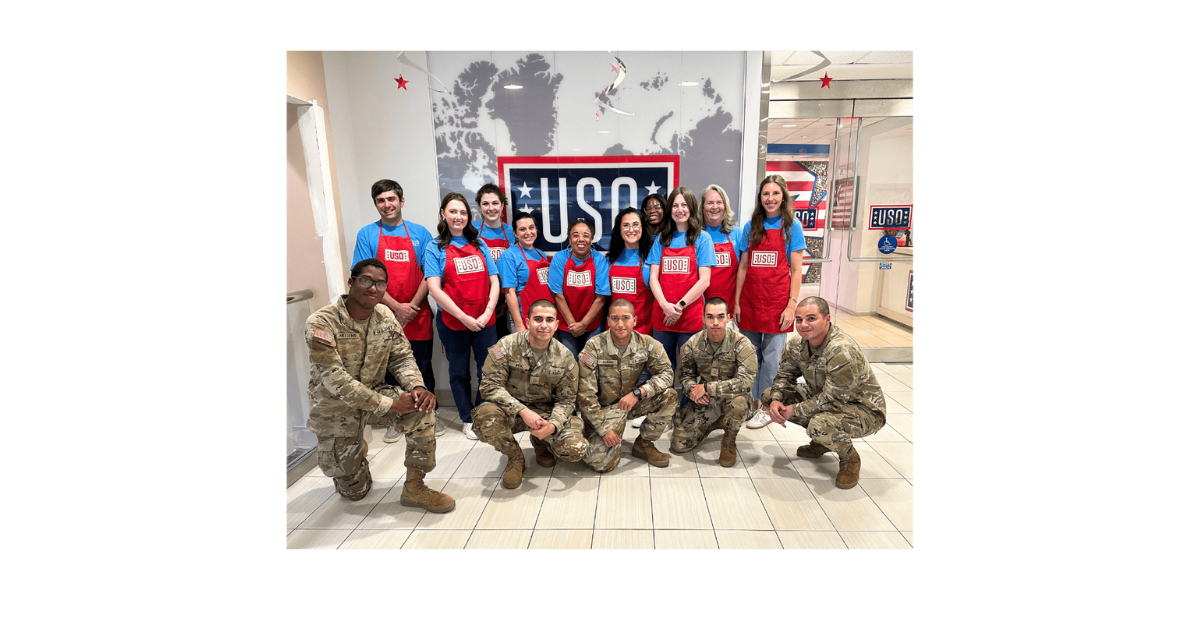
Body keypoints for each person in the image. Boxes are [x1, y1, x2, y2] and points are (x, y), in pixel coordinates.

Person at [303, 258, 454, 512]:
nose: (373, 288)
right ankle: (354, 449)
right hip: (335, 407)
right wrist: (391, 404)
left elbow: (402, 357)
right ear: (351, 282)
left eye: (381, 284)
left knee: (421, 411)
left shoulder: (385, 316)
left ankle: (415, 488)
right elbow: (334, 378)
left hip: (375, 392)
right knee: (355, 492)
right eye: (366, 281)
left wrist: (417, 387)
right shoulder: (321, 322)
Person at [763, 296, 887, 490]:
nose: (803, 325)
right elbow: (785, 375)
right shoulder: (797, 344)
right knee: (768, 395)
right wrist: (775, 399)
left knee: (819, 424)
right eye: (799, 319)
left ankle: (849, 458)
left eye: (811, 318)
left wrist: (794, 410)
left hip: (863, 410)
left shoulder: (841, 351)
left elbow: (832, 400)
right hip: (825, 397)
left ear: (827, 319)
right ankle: (824, 440)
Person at [351, 179, 442, 439]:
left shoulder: (420, 233)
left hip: (417, 313)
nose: (386, 204)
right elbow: (365, 277)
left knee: (421, 367)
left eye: (391, 199)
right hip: (382, 314)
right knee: (389, 369)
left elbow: (430, 273)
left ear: (401, 201)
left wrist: (410, 307)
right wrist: (396, 307)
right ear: (375, 204)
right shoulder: (367, 234)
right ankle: (397, 419)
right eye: (380, 200)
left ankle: (428, 417)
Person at [472, 300, 588, 489]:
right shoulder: (507, 346)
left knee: (575, 448)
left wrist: (553, 425)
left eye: (549, 320)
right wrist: (523, 411)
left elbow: (566, 400)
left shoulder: (565, 357)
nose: (544, 325)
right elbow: (489, 386)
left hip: (547, 413)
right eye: (538, 319)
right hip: (513, 411)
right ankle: (514, 457)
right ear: (527, 322)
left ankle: (541, 442)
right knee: (485, 416)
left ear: (556, 325)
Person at [733, 174, 809, 430]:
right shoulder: (751, 227)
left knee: (772, 358)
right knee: (749, 356)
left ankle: (767, 406)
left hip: (778, 302)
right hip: (751, 300)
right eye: (766, 193)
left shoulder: (792, 227)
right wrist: (737, 302)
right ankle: (752, 403)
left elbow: (796, 270)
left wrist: (792, 305)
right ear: (760, 198)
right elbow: (743, 267)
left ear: (783, 197)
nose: (770, 198)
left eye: (775, 193)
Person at [424, 192, 501, 440]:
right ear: (443, 214)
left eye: (463, 212)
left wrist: (488, 311)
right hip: (453, 322)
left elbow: (494, 281)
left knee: (488, 371)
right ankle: (467, 419)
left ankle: (481, 414)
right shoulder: (434, 247)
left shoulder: (480, 244)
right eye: (453, 211)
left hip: (485, 320)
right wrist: (463, 317)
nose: (458, 216)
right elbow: (434, 289)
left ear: (469, 216)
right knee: (459, 373)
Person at [576, 299, 678, 471]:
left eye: (626, 318)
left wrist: (639, 392)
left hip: (630, 403)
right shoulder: (593, 346)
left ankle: (644, 444)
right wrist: (604, 429)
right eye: (615, 318)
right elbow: (585, 394)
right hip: (602, 410)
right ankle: (593, 433)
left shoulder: (647, 344)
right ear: (608, 321)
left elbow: (667, 374)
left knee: (669, 396)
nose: (620, 324)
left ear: (634, 320)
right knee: (600, 463)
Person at [670, 297, 757, 467]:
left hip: (733, 398)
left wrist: (707, 387)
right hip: (706, 401)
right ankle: (716, 421)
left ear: (728, 318)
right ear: (703, 318)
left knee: (739, 403)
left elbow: (746, 382)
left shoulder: (742, 344)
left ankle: (729, 440)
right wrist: (692, 390)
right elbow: (685, 376)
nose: (715, 322)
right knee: (679, 444)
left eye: (720, 316)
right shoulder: (692, 344)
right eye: (710, 317)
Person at [647, 186, 715, 403]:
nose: (680, 210)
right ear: (670, 210)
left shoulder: (702, 238)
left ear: (691, 208)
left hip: (690, 317)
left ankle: (687, 412)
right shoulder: (662, 238)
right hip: (663, 316)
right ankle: (663, 410)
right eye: (675, 205)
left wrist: (679, 306)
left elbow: (704, 280)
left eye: (684, 205)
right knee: (663, 368)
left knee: (689, 370)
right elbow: (653, 278)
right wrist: (666, 306)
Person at [547, 218, 611, 358]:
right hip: (567, 324)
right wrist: (573, 325)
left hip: (592, 324)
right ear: (570, 239)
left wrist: (583, 324)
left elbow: (601, 297)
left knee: (590, 362)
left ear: (591, 239)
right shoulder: (559, 259)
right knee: (569, 363)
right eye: (575, 235)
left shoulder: (599, 260)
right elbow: (558, 295)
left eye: (586, 235)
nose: (581, 239)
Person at [474, 183, 517, 340]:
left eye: (495, 203)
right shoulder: (471, 231)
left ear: (502, 206)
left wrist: (505, 302)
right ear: (480, 207)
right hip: (479, 296)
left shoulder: (512, 233)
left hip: (504, 299)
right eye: (485, 204)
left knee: (501, 344)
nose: (491, 208)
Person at [497, 210, 552, 333]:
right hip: (524, 317)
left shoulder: (541, 254)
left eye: (531, 228)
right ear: (515, 233)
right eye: (522, 229)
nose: (528, 232)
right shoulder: (509, 256)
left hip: (545, 316)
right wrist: (518, 324)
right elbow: (509, 293)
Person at [700, 184, 742, 318]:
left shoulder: (737, 233)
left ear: (725, 206)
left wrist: (738, 304)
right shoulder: (695, 235)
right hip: (701, 310)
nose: (715, 207)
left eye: (719, 202)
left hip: (730, 309)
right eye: (709, 203)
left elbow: (744, 271)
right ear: (702, 207)